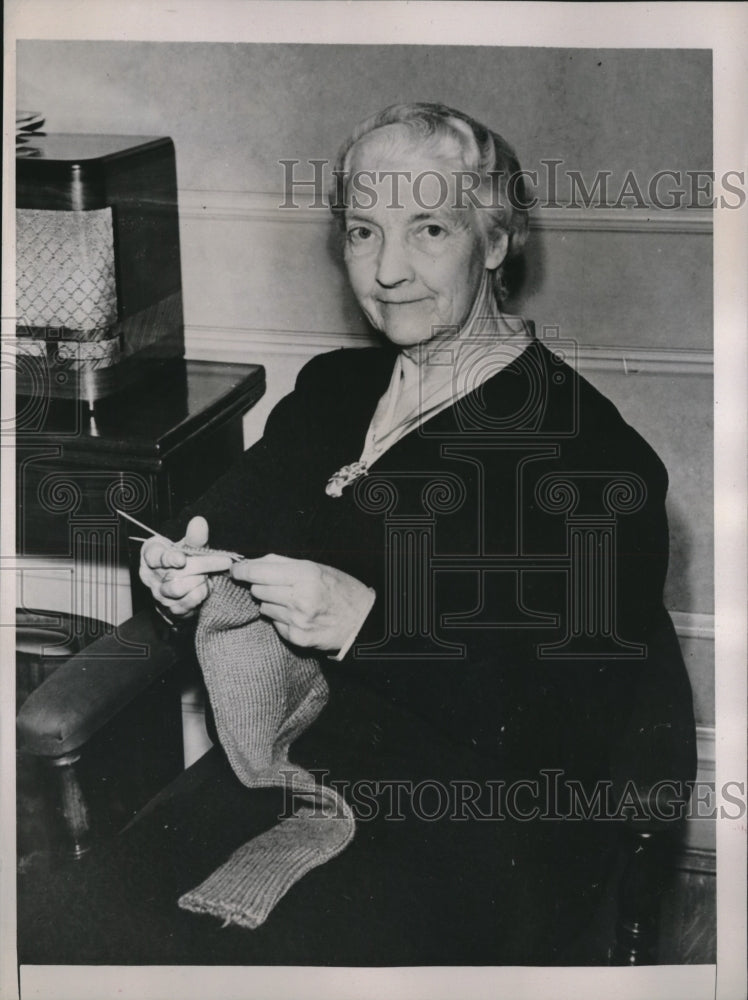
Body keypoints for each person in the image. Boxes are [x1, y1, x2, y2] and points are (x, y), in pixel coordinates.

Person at [134, 102, 695, 965]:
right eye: (363, 231)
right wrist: (176, 572)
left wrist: (371, 626)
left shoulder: (593, 461)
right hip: (284, 767)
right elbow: (218, 526)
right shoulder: (331, 391)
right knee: (84, 918)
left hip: (482, 824)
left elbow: (572, 736)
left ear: (497, 241)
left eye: (429, 228)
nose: (387, 269)